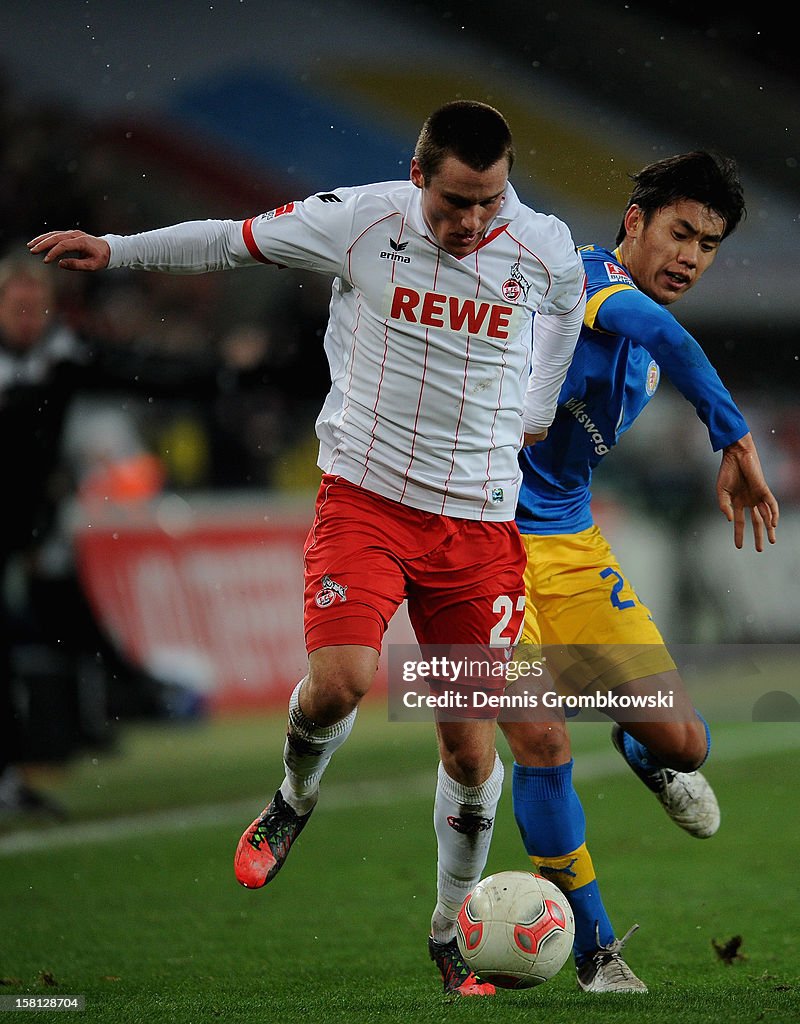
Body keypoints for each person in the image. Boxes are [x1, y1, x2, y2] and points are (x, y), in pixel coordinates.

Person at [28, 100, 588, 997]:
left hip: (478, 528)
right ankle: (294, 796)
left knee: (471, 755)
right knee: (341, 682)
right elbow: (231, 239)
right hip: (364, 500)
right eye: (454, 203)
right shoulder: (360, 220)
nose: (473, 223)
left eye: (489, 202)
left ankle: (451, 928)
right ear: (418, 176)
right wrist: (118, 250)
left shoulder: (545, 244)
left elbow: (567, 312)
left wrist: (535, 408)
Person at [497, 151, 779, 993]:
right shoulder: (584, 280)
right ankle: (595, 950)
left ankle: (638, 744)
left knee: (686, 744)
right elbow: (661, 335)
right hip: (481, 550)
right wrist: (734, 434)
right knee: (538, 737)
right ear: (634, 224)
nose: (692, 255)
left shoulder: (647, 324)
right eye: (680, 232)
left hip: (573, 549)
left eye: (710, 243)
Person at [0, 253, 254, 817]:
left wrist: (216, 368)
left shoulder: (59, 357)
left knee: (69, 630)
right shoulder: (48, 364)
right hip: (26, 527)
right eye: (16, 306)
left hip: (28, 528)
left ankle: (74, 733)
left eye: (34, 306)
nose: (27, 317)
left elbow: (142, 371)